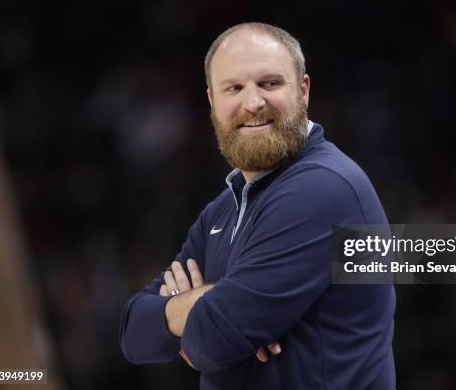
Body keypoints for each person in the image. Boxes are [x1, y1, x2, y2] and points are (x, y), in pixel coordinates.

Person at [120, 22, 396, 389]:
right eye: (234, 88)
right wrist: (209, 301)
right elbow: (133, 335)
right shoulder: (223, 210)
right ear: (212, 102)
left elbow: (212, 343)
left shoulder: (321, 188)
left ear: (304, 90)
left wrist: (189, 313)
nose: (252, 103)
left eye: (269, 83)